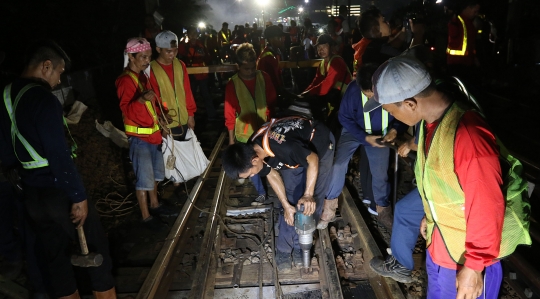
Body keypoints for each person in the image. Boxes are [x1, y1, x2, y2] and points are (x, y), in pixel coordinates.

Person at [363, 55, 531, 299]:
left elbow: (486, 205)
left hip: (465, 262)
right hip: (444, 248)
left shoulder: (468, 136)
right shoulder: (432, 126)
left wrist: (473, 267)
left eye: (390, 111)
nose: (392, 118)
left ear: (410, 103)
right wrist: (433, 218)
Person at [0, 39, 116, 298]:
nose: (60, 80)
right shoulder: (43, 99)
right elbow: (59, 155)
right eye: (60, 72)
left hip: (32, 194)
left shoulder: (6, 96)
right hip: (58, 191)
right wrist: (78, 196)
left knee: (56, 259)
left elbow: (6, 150)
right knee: (96, 251)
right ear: (46, 66)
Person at [221, 106, 334, 272]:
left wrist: (308, 194)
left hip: (319, 147)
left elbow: (313, 159)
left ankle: (301, 247)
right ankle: (284, 248)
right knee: (290, 200)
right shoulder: (253, 147)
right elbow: (271, 173)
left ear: (254, 161)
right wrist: (286, 205)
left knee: (311, 202)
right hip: (294, 151)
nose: (252, 177)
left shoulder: (284, 148)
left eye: (250, 174)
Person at [319, 63, 407, 230]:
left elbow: (404, 114)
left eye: (373, 94)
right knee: (338, 164)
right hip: (354, 132)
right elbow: (344, 118)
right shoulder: (353, 90)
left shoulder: (392, 90)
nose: (371, 97)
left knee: (380, 172)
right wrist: (365, 138)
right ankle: (329, 206)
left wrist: (395, 130)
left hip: (381, 133)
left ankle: (382, 209)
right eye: (367, 95)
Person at [117, 37, 175, 231]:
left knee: (155, 175)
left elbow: (152, 107)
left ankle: (155, 205)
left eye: (148, 57)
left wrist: (162, 120)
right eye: (142, 57)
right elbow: (127, 110)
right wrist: (141, 100)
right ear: (131, 57)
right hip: (140, 140)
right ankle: (146, 216)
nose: (146, 61)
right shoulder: (126, 81)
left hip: (153, 136)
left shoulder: (143, 77)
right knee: (144, 179)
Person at [224, 43, 276, 205]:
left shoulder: (263, 77)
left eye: (253, 68)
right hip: (244, 134)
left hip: (263, 131)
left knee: (269, 161)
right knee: (251, 166)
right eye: (246, 69)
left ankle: (274, 186)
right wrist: (231, 140)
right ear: (238, 66)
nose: (250, 72)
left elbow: (272, 101)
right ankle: (261, 192)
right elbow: (229, 115)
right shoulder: (233, 84)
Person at [149, 30, 197, 143]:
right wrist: (160, 116)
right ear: (158, 49)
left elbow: (187, 91)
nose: (173, 54)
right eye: (168, 51)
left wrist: (191, 115)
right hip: (167, 121)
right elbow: (153, 98)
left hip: (184, 119)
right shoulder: (151, 69)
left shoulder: (180, 65)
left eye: (175, 51)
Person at [178, 27, 216, 120]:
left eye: (194, 33)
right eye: (191, 34)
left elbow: (207, 57)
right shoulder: (184, 45)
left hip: (202, 73)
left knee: (206, 94)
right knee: (191, 96)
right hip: (191, 75)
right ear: (188, 35)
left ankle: (212, 115)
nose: (193, 36)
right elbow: (179, 52)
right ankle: (190, 116)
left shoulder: (201, 44)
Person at [446, 0, 480, 81]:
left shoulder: (469, 22)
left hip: (467, 63)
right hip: (456, 64)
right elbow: (453, 34)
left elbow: (471, 43)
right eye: (475, 11)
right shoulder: (457, 21)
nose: (476, 14)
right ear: (468, 8)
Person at [257, 25, 285, 97]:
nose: (282, 40)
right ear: (271, 39)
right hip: (269, 99)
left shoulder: (274, 54)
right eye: (279, 38)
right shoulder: (268, 58)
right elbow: (275, 83)